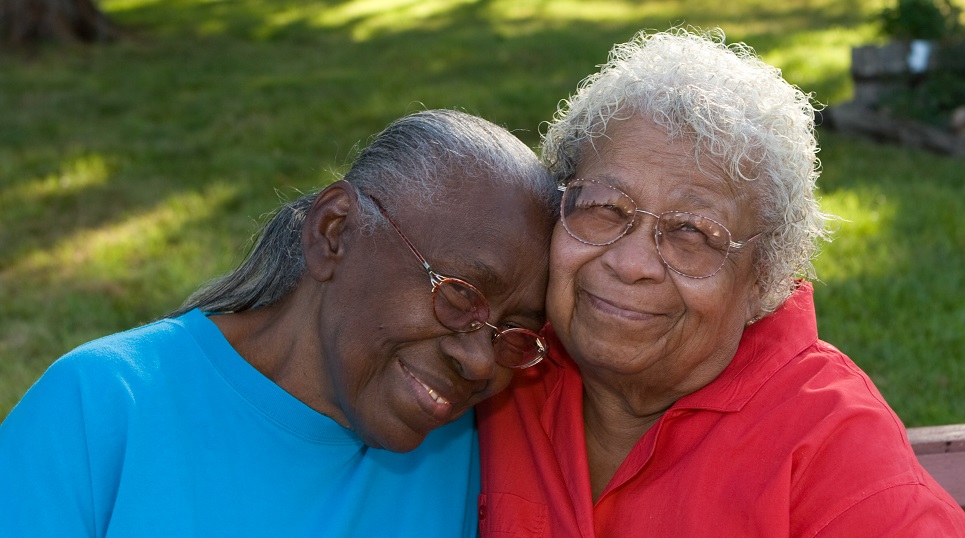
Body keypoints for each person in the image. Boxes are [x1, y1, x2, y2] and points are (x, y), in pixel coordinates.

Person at [476, 28, 965, 537]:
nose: (630, 263)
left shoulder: (839, 457)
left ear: (764, 276)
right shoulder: (491, 367)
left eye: (692, 232)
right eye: (605, 207)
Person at [0, 109, 559, 537]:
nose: (481, 360)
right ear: (334, 232)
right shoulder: (100, 408)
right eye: (459, 296)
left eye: (514, 332)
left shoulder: (473, 445)